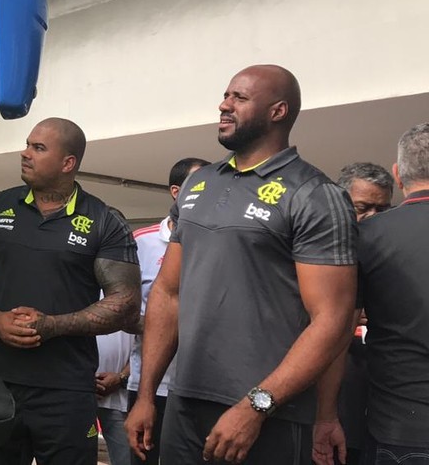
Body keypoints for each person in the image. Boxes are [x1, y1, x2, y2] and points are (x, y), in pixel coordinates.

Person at [125, 65, 357, 464]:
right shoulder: (200, 184)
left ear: (278, 111)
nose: (224, 105)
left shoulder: (316, 195)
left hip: (269, 414)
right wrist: (147, 395)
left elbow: (332, 321)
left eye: (239, 98)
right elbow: (168, 292)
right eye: (226, 95)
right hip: (184, 403)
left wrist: (256, 406)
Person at [0, 117, 142, 465]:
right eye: (27, 144)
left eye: (38, 148)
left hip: (65, 390)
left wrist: (53, 325)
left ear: (68, 163)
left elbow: (125, 303)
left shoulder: (103, 221)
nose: (25, 153)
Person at [316, 124, 429, 465]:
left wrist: (324, 416)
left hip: (403, 428)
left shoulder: (366, 238)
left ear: (397, 175)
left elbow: (334, 334)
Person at [124, 157, 209, 465]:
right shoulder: (140, 242)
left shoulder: (219, 240)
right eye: (199, 185)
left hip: (203, 384)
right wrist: (163, 324)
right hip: (150, 384)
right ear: (176, 191)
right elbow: (123, 309)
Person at [314, 163, 394, 465]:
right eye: (362, 208)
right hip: (325, 397)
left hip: (378, 403)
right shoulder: (314, 251)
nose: (372, 218)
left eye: (382, 209)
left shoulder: (393, 255)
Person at [96, 328, 133, 465]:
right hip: (76, 393)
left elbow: (147, 342)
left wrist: (121, 378)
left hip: (120, 397)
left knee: (127, 459)